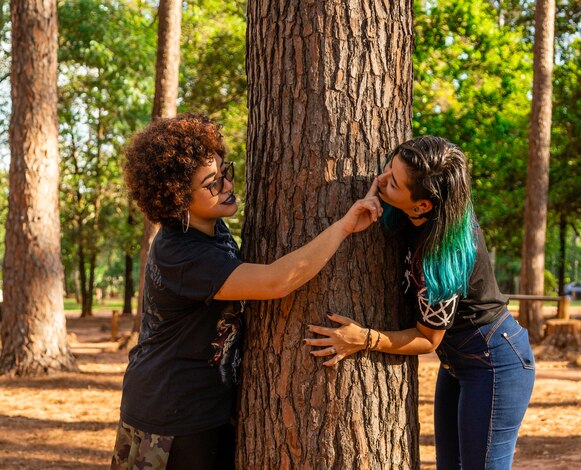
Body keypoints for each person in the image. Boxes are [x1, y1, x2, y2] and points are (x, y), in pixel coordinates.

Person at [110, 113, 382, 470]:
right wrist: (344, 227)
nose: (226, 185)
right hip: (173, 413)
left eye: (225, 172)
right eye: (212, 183)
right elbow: (276, 281)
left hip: (198, 405)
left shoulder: (212, 227)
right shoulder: (182, 253)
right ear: (177, 198)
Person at [305, 136, 534, 470]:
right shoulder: (413, 213)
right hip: (458, 362)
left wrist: (364, 338)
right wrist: (372, 200)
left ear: (423, 204)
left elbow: (428, 338)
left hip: (494, 362)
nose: (382, 179)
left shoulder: (443, 252)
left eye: (393, 183)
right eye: (388, 167)